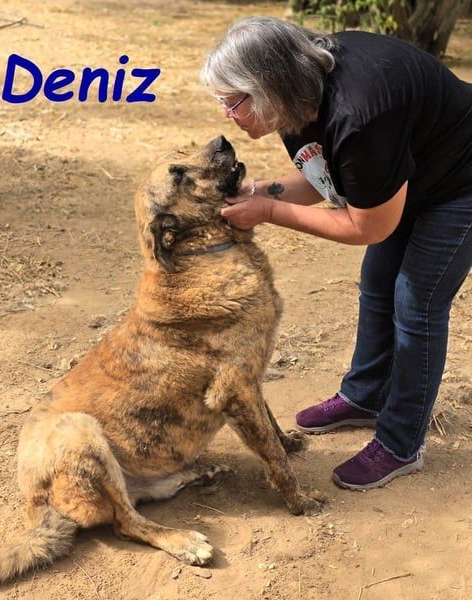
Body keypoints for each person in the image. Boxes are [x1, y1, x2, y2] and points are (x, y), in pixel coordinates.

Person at [200, 16, 472, 490]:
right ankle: (365, 396)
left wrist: (268, 211)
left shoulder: (360, 116)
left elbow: (368, 225)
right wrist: (260, 190)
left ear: (267, 86)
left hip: (461, 180)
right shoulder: (295, 99)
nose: (227, 114)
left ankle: (400, 444)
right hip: (411, 170)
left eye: (232, 101)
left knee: (417, 303)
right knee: (377, 285)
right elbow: (327, 177)